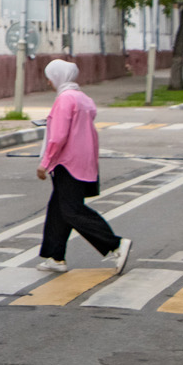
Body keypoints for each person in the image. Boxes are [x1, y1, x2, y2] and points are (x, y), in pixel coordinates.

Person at [34, 58, 131, 274]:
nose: (49, 82)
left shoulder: (64, 100)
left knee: (72, 210)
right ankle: (55, 257)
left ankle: (114, 244)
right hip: (84, 161)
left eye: (50, 78)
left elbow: (58, 136)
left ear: (58, 77)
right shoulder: (83, 98)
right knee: (59, 209)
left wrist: (45, 162)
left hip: (67, 162)